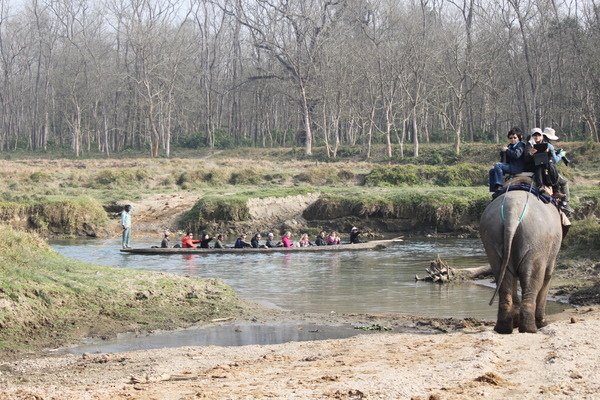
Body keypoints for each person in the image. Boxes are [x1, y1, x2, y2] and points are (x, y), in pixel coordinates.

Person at [542, 127, 574, 215]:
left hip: (538, 169)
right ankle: (565, 203)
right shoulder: (549, 146)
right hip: (548, 170)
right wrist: (561, 154)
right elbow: (555, 160)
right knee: (564, 182)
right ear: (549, 138)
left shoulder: (539, 143)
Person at [488, 127, 526, 192]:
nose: (512, 139)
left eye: (515, 138)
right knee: (492, 170)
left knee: (498, 165)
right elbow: (504, 158)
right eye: (510, 138)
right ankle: (494, 189)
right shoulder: (510, 146)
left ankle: (499, 185)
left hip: (517, 167)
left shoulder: (521, 145)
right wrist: (503, 152)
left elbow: (516, 155)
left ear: (519, 137)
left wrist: (507, 150)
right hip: (510, 165)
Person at [525, 127, 561, 195]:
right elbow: (526, 158)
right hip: (533, 164)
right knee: (539, 166)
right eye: (535, 135)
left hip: (545, 163)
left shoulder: (546, 144)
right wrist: (531, 153)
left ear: (541, 136)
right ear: (532, 136)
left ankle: (556, 189)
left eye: (538, 135)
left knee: (550, 165)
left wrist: (547, 152)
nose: (537, 137)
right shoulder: (529, 145)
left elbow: (552, 158)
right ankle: (540, 186)